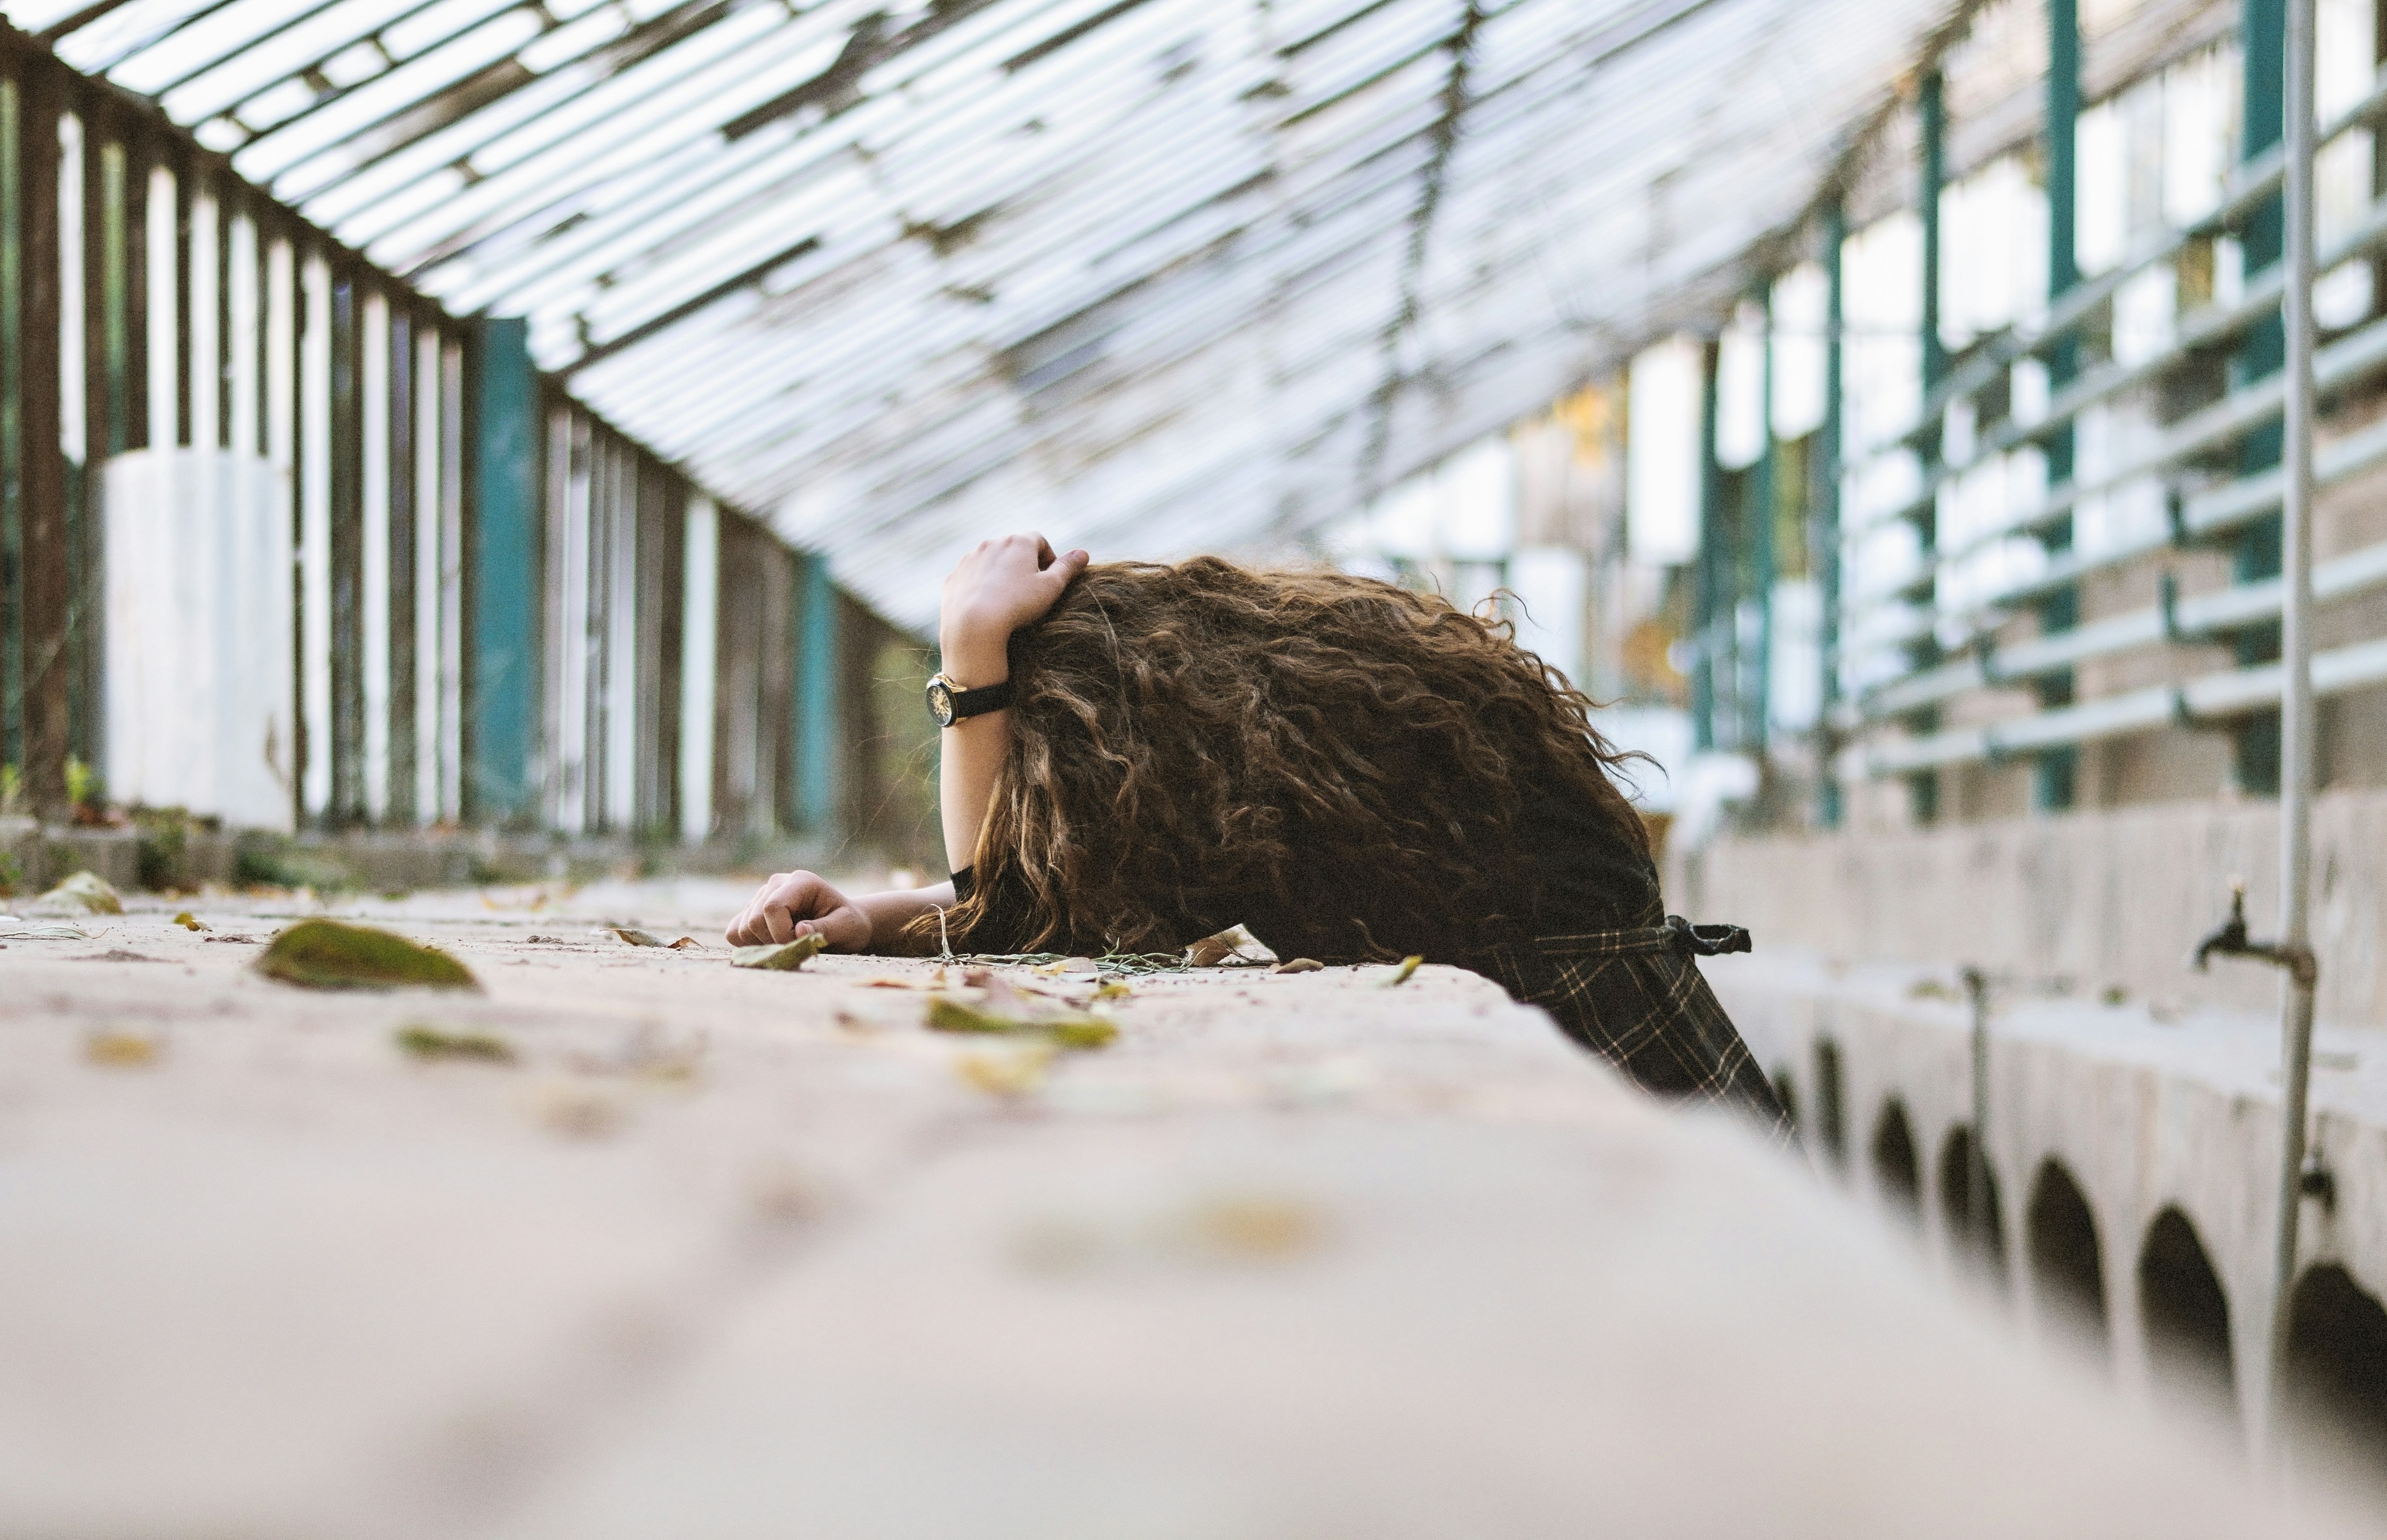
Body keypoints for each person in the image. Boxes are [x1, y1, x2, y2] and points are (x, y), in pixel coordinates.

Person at [728, 532, 1785, 1131]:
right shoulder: (1295, 758)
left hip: (1631, 1109)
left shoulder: (1267, 797)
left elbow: (1016, 911)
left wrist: (972, 656)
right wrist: (872, 917)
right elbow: (1053, 899)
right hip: (1685, 1090)